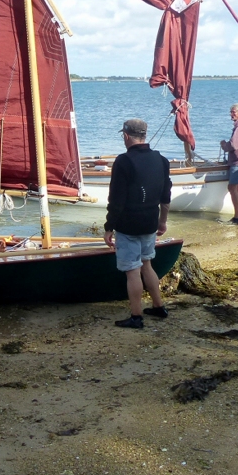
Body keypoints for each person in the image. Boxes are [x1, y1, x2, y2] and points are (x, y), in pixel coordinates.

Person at [104, 118, 173, 328]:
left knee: (132, 270)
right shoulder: (161, 160)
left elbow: (116, 200)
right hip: (150, 222)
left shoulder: (123, 161)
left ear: (126, 136)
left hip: (129, 224)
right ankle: (159, 306)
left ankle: (136, 316)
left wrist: (109, 227)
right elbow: (165, 196)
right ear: (144, 135)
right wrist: (162, 222)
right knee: (147, 264)